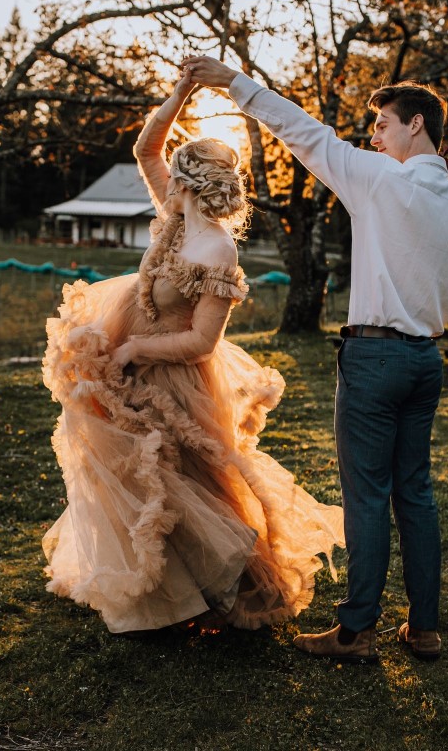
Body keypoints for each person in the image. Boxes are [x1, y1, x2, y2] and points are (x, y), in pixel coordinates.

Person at [182, 56, 448, 664]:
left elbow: (303, 133)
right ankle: (423, 629)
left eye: (382, 125)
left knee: (368, 496)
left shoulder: (380, 179)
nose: (372, 136)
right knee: (416, 495)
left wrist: (231, 83)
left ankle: (355, 632)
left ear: (417, 124)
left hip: (375, 359)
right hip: (426, 361)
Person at [41, 71, 344, 634]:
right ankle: (163, 598)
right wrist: (183, 92)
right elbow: (144, 146)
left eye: (175, 180)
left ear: (188, 185)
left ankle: (232, 594)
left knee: (190, 489)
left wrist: (134, 347)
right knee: (125, 476)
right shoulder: (172, 221)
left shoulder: (217, 249)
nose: (166, 186)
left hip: (175, 376)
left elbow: (203, 340)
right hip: (128, 364)